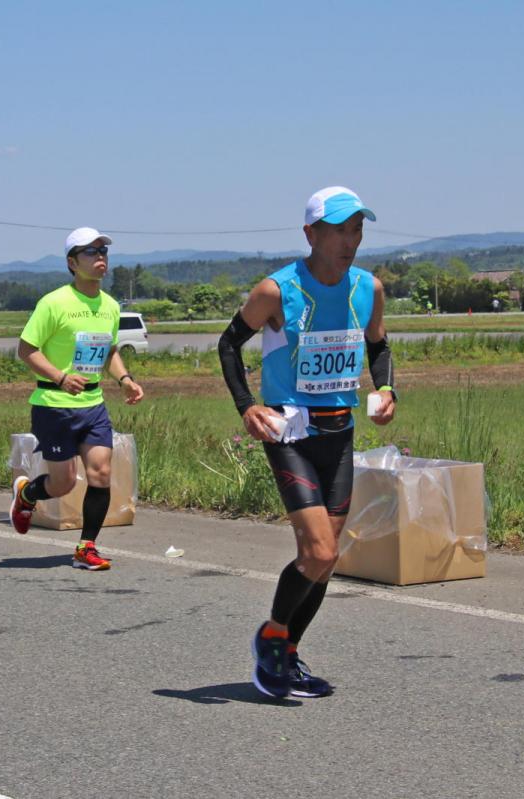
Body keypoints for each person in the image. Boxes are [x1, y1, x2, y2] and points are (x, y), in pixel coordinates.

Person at [217, 187, 396, 699]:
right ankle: (273, 636)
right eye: (340, 229)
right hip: (290, 431)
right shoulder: (277, 290)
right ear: (310, 234)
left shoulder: (369, 288)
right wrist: (247, 405)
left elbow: (378, 345)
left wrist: (386, 390)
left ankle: (284, 655)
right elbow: (229, 343)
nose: (350, 240)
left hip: (339, 435)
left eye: (357, 229)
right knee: (318, 551)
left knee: (324, 556)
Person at [9, 227, 145, 570]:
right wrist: (60, 376)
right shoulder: (54, 303)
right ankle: (26, 494)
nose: (101, 257)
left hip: (93, 405)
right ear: (72, 262)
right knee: (64, 482)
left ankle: (86, 548)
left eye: (104, 251)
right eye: (91, 252)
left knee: (100, 474)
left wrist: (125, 379)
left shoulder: (110, 306)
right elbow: (26, 350)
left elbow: (109, 350)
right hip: (54, 405)